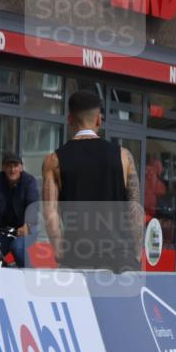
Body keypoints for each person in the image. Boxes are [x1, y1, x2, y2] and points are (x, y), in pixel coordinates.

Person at [42, 90, 142, 272]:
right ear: (99, 120)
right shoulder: (123, 156)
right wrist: (135, 255)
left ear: (69, 119)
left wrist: (60, 252)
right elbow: (134, 209)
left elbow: (50, 214)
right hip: (120, 258)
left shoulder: (54, 160)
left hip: (76, 257)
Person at [0, 152, 39, 267]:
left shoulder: (29, 181)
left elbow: (33, 205)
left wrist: (27, 224)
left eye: (15, 166)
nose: (12, 170)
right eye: (9, 166)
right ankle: (4, 276)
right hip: (3, 231)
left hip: (27, 227)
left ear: (21, 167)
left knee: (18, 247)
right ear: (3, 168)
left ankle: (29, 276)